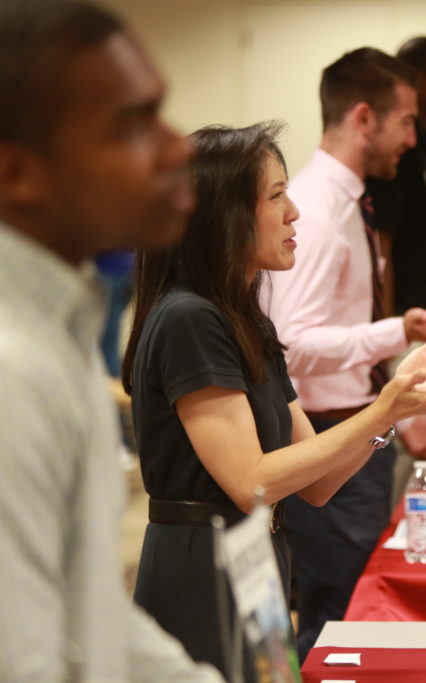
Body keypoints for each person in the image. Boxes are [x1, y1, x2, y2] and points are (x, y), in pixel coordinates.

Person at [123, 122, 426, 679]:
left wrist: (400, 411)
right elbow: (252, 482)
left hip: (256, 562)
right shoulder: (189, 318)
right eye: (275, 196)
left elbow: (318, 482)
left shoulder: (245, 317)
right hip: (201, 567)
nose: (294, 213)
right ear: (223, 216)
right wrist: (385, 408)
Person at [0, 0, 221, 679]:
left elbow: (87, 611)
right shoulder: (12, 370)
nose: (178, 147)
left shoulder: (56, 326)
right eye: (134, 125)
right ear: (17, 173)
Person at [263, 47, 426, 660]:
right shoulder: (321, 210)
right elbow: (290, 347)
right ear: (364, 118)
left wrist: (403, 420)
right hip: (327, 440)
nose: (414, 138)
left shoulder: (348, 199)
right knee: (338, 631)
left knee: (356, 615)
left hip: (356, 432)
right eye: (406, 121)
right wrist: (391, 335)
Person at [366, 36, 426, 319]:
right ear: (423, 81)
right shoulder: (399, 152)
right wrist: (386, 338)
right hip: (404, 321)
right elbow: (383, 250)